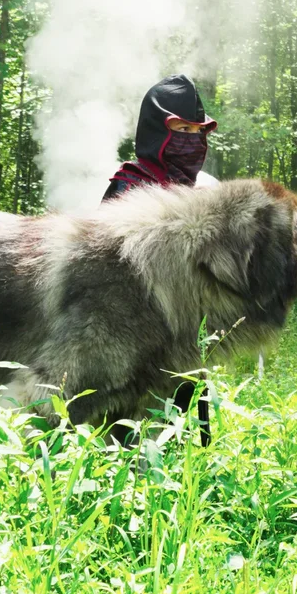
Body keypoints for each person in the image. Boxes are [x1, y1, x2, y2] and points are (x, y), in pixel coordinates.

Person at [103, 73, 218, 446]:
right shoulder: (128, 185)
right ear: (157, 130)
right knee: (125, 436)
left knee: (180, 437)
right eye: (180, 128)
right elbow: (106, 266)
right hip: (132, 336)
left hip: (186, 336)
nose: (190, 139)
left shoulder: (205, 192)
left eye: (196, 131)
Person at [103, 73, 217, 201]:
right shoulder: (130, 187)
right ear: (157, 131)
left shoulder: (206, 186)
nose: (195, 139)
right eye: (184, 128)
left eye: (200, 130)